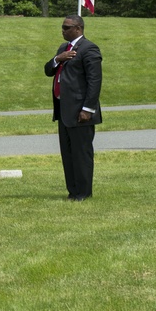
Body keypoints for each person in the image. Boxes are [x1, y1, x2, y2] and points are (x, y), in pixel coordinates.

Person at [44, 14, 103, 201]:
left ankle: (84, 193)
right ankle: (73, 192)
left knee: (81, 154)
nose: (62, 30)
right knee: (68, 154)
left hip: (80, 112)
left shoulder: (89, 49)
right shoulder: (64, 48)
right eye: (62, 27)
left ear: (78, 28)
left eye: (66, 27)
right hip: (64, 110)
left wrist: (87, 109)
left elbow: (94, 81)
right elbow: (48, 70)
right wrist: (58, 58)